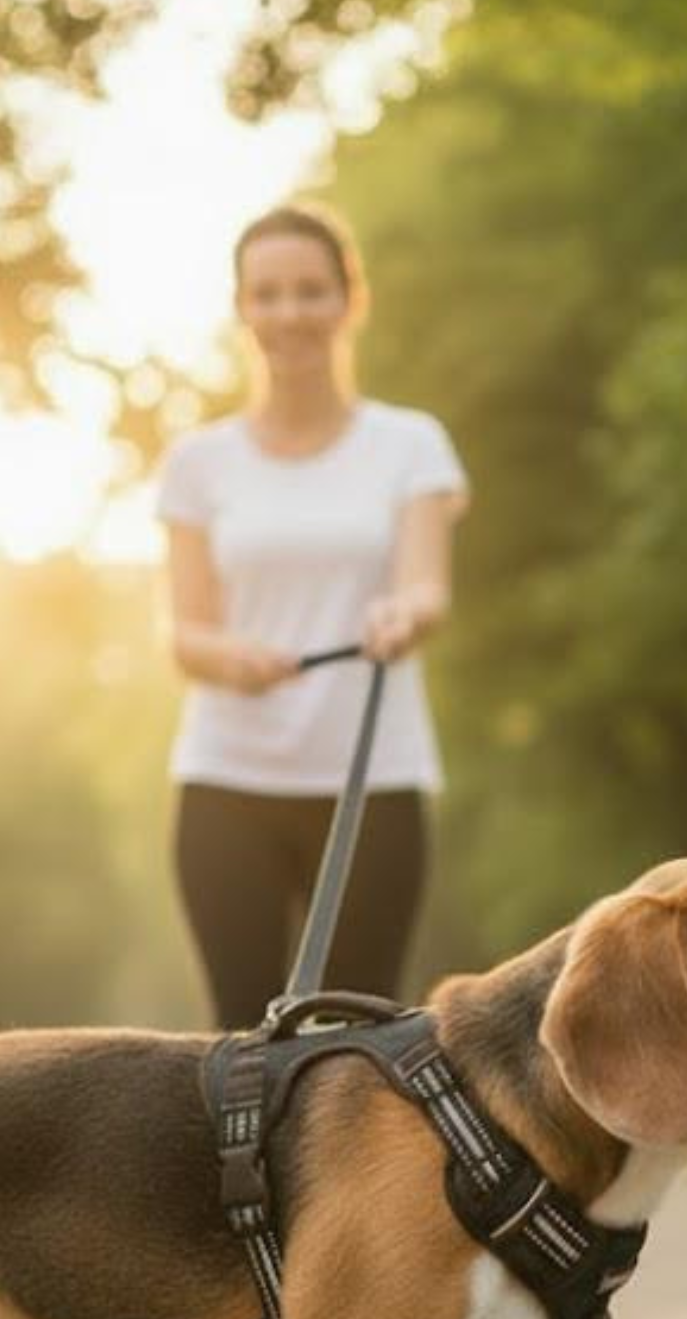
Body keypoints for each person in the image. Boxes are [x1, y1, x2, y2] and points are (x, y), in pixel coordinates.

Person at [156, 201, 469, 1030]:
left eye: (309, 291)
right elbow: (185, 632)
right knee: (240, 1039)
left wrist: (403, 615)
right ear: (241, 309)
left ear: (348, 300)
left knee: (364, 1043)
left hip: (374, 781)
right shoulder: (198, 462)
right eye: (267, 294)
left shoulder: (411, 445)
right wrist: (231, 658)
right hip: (228, 781)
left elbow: (426, 587)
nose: (288, 313)